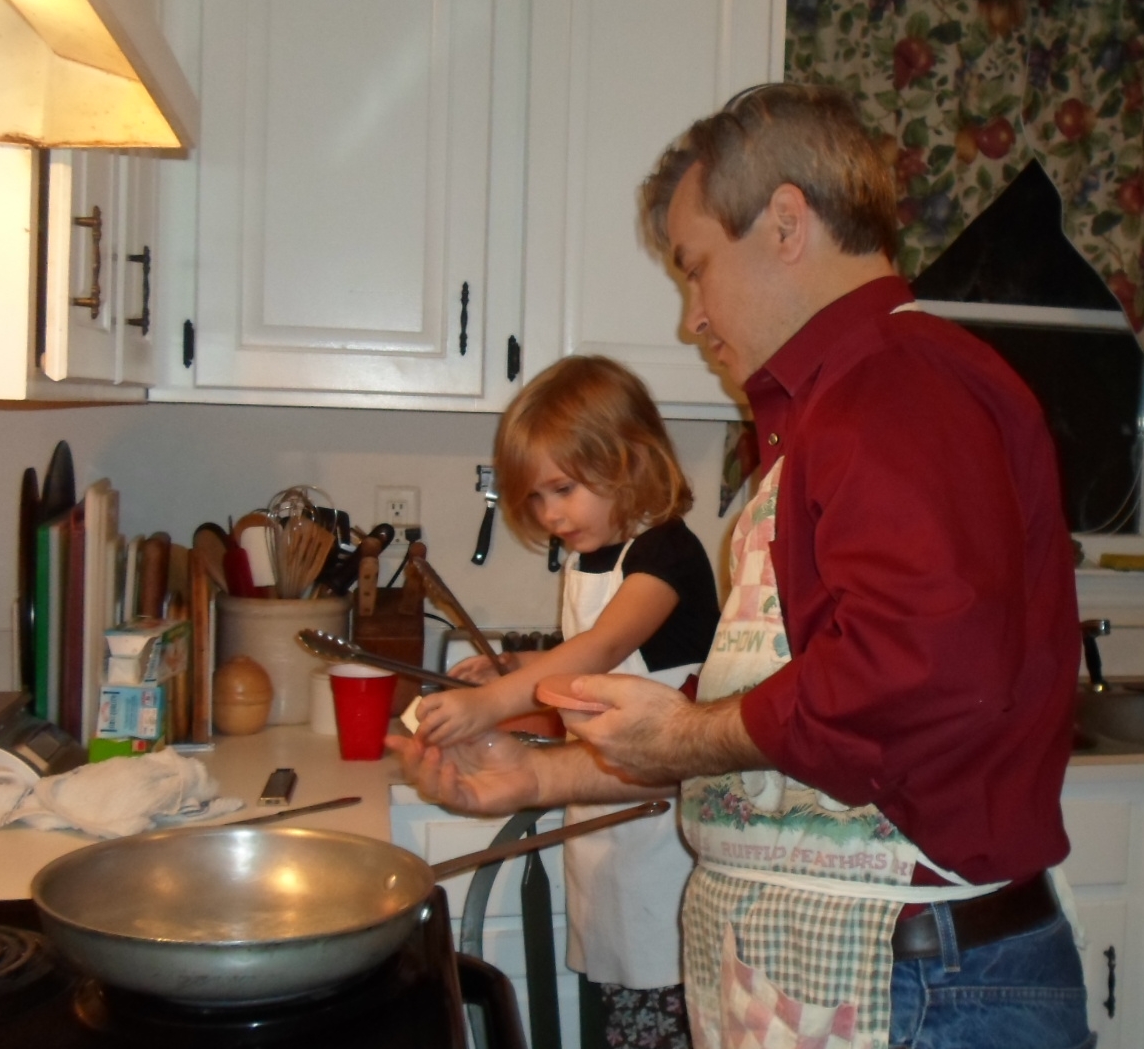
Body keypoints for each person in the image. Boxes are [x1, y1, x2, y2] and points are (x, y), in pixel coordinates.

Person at [388, 82, 1091, 1049]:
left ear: (787, 222)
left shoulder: (894, 389)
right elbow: (777, 740)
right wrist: (537, 776)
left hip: (926, 990)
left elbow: (910, 678)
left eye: (695, 269)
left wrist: (683, 739)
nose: (690, 317)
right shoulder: (833, 411)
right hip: (894, 978)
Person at [416, 354, 720, 1048]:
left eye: (562, 489)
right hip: (609, 814)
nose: (550, 514)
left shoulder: (665, 555)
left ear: (628, 459)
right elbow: (581, 655)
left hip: (667, 832)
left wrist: (493, 701)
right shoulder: (596, 555)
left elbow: (600, 651)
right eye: (535, 498)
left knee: (666, 1009)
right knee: (625, 1007)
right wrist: (520, 665)